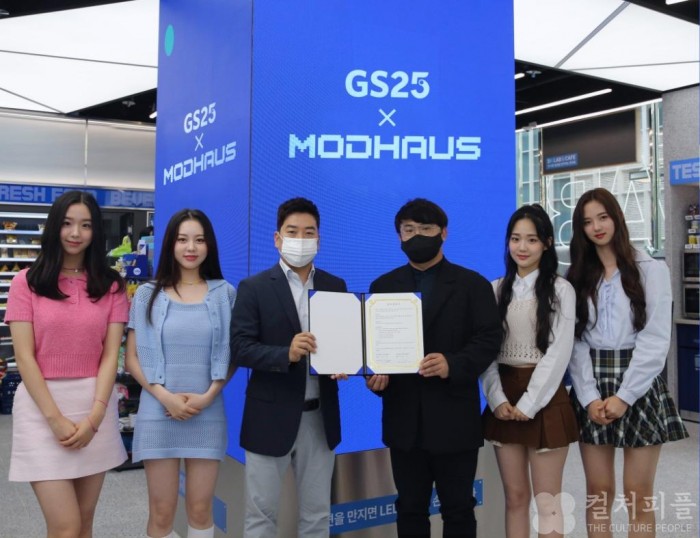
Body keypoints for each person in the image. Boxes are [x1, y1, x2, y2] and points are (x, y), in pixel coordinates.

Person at [366, 198, 502, 537]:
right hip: (404, 421)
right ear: (399, 236)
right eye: (408, 230)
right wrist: (373, 376)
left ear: (444, 233)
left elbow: (488, 340)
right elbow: (372, 347)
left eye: (425, 229)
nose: (417, 236)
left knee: (458, 509)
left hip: (454, 420)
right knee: (409, 509)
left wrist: (452, 364)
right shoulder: (382, 287)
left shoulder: (473, 285)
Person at [567, 188, 688, 538]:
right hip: (592, 383)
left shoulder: (651, 269)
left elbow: (655, 338)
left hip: (639, 384)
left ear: (617, 217)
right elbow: (575, 341)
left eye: (603, 217)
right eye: (587, 222)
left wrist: (624, 396)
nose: (597, 227)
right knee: (598, 492)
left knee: (638, 493)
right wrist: (589, 397)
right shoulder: (577, 276)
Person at [6, 190, 128, 537]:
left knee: (84, 524)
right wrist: (54, 419)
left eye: (86, 225)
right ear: (54, 226)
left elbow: (110, 354)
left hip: (95, 407)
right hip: (42, 409)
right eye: (67, 223)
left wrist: (95, 417)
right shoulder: (25, 283)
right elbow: (24, 357)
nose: (76, 233)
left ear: (96, 231)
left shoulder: (112, 286)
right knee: (65, 526)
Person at [230, 197, 347, 538]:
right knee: (261, 516)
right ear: (277, 238)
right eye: (292, 232)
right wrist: (286, 353)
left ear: (319, 239)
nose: (301, 239)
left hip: (319, 417)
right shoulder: (253, 288)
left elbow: (344, 342)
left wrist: (345, 362)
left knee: (317, 515)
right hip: (269, 416)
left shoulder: (335, 286)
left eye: (309, 232)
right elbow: (240, 348)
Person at [125, 209, 236, 538]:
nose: (191, 247)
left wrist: (208, 396)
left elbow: (232, 356)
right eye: (182, 239)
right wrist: (166, 398)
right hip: (158, 412)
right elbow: (132, 359)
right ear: (170, 244)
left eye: (199, 240)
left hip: (207, 411)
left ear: (209, 245)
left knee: (201, 509)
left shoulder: (225, 294)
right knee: (162, 513)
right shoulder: (147, 294)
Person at [480, 204, 578, 538]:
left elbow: (559, 353)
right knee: (515, 498)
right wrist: (496, 399)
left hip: (545, 398)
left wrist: (529, 403)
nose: (522, 247)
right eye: (515, 238)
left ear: (547, 243)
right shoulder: (495, 289)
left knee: (547, 502)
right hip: (504, 399)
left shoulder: (561, 290)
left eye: (532, 239)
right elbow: (486, 351)